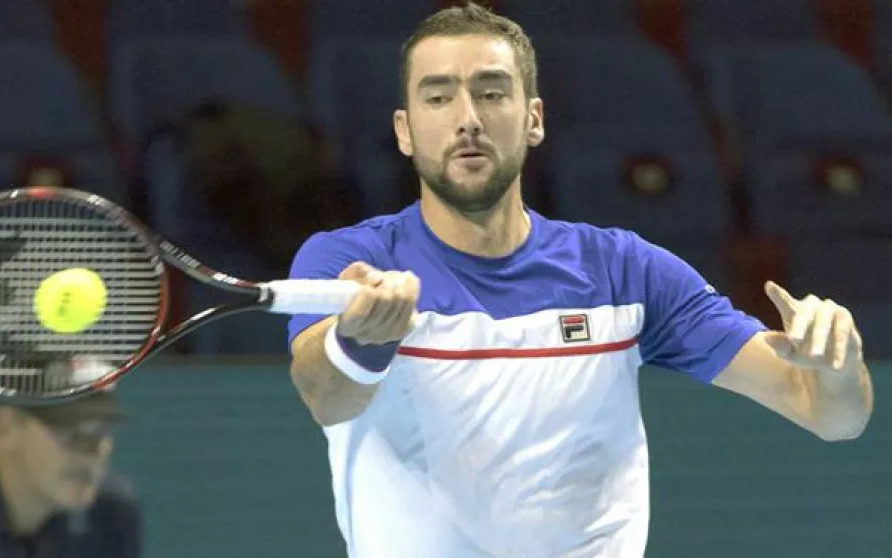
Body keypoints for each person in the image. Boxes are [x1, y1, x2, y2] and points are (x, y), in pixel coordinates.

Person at [285, 3, 874, 557]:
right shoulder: (351, 260)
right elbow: (325, 396)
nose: (468, 119)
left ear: (533, 119)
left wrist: (838, 366)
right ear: (406, 130)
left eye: (492, 93)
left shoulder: (623, 271)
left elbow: (832, 416)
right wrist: (360, 340)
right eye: (438, 98)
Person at [0, 384, 142, 557]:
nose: (90, 454)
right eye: (68, 431)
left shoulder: (112, 514)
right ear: (7, 425)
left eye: (102, 431)